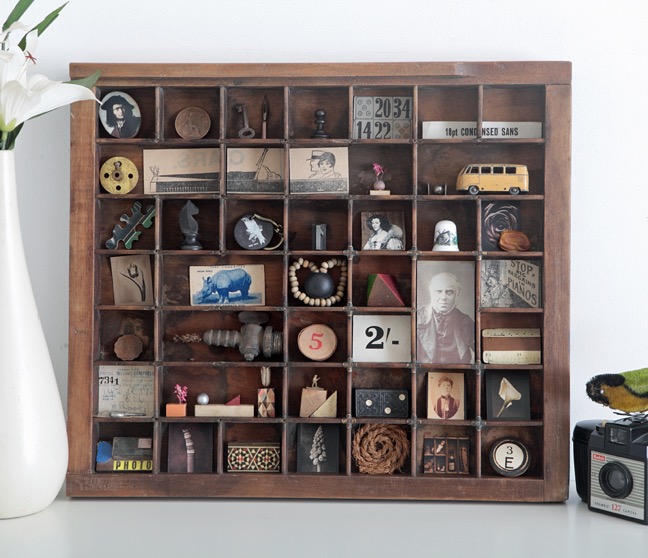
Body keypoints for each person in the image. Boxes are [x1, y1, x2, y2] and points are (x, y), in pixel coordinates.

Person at [417, 271, 474, 364]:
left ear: (457, 293)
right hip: (425, 374)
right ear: (431, 292)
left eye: (449, 292)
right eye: (438, 291)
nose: (443, 297)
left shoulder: (466, 321)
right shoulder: (417, 318)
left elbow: (483, 352)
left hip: (458, 374)